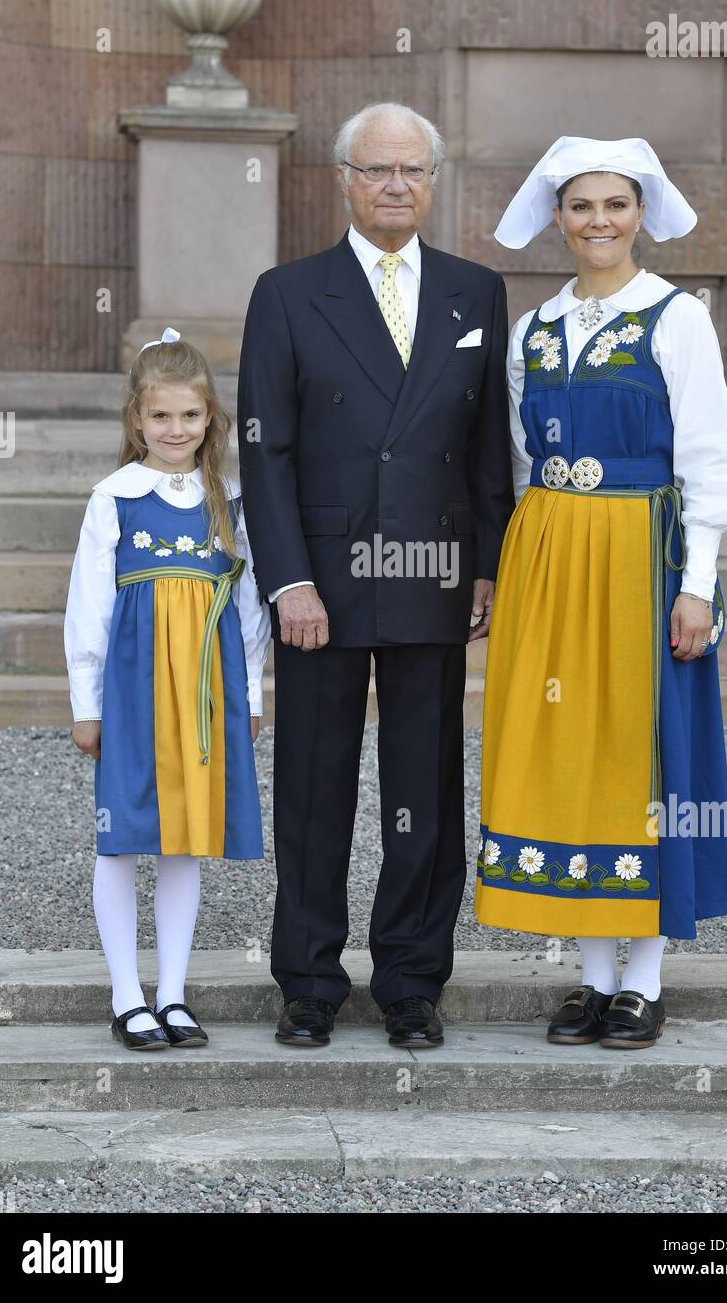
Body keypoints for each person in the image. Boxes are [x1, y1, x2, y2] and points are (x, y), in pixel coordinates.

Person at [237, 101, 513, 1049]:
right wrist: (286, 582)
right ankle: (308, 980)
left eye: (413, 171)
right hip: (322, 579)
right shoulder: (286, 292)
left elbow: (487, 447)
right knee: (314, 783)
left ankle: (409, 981)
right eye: (376, 170)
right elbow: (263, 450)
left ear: (433, 182)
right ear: (344, 179)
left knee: (424, 787)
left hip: (434, 571)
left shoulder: (476, 291)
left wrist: (486, 566)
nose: (396, 186)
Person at [475, 137, 727, 1049]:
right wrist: (521, 568)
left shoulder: (675, 318)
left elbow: (712, 460)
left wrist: (699, 586)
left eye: (615, 205)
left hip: (643, 552)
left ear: (641, 212)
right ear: (557, 217)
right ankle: (593, 977)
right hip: (551, 552)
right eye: (582, 206)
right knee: (570, 749)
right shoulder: (535, 329)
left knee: (642, 752)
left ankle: (645, 979)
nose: (599, 222)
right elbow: (520, 462)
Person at [65, 328, 269, 1050]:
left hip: (205, 692)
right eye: (160, 417)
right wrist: (86, 705)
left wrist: (250, 696)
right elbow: (86, 608)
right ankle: (127, 995)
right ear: (135, 420)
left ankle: (174, 994)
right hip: (132, 689)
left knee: (185, 839)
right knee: (120, 840)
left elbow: (248, 609)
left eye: (190, 416)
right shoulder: (114, 498)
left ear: (209, 417)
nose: (175, 430)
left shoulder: (230, 501)